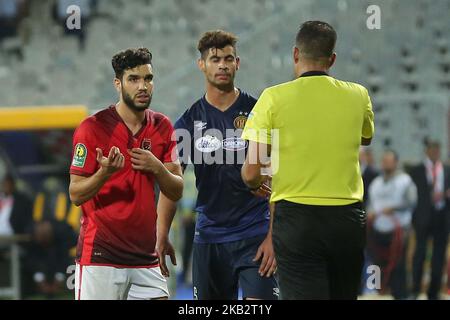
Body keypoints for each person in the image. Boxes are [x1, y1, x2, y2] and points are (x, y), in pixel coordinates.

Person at [241, 21, 374, 300]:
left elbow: (251, 172)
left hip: (297, 221)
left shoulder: (273, 98)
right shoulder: (358, 95)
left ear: (295, 54)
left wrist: (263, 180)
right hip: (346, 218)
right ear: (332, 59)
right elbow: (365, 137)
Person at [158, 30, 278, 300]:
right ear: (202, 65)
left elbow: (278, 179)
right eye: (214, 59)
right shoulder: (187, 123)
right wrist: (162, 233)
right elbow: (171, 183)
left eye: (228, 58)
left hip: (256, 235)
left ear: (238, 63)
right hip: (210, 236)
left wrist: (274, 237)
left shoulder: (259, 112)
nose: (222, 65)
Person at [68, 47, 183, 300]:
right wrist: (103, 174)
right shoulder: (92, 128)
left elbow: (176, 189)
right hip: (101, 258)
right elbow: (75, 194)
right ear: (118, 84)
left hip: (146, 259)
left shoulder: (162, 126)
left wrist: (157, 168)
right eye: (134, 79)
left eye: (148, 79)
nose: (143, 86)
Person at [366, 150, 417, 299]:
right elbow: (370, 204)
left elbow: (412, 201)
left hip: (398, 231)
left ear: (396, 162)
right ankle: (375, 292)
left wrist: (394, 208)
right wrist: (370, 214)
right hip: (378, 231)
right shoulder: (376, 183)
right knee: (376, 264)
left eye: (389, 161)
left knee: (398, 265)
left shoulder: (405, 180)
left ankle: (400, 295)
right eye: (384, 161)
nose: (386, 164)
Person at [409, 140, 450, 300]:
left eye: (437, 151)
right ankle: (415, 289)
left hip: (442, 216)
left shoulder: (446, 169)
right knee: (419, 253)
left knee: (439, 256)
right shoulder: (417, 170)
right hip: (422, 217)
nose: (435, 153)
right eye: (432, 150)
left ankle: (434, 291)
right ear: (427, 151)